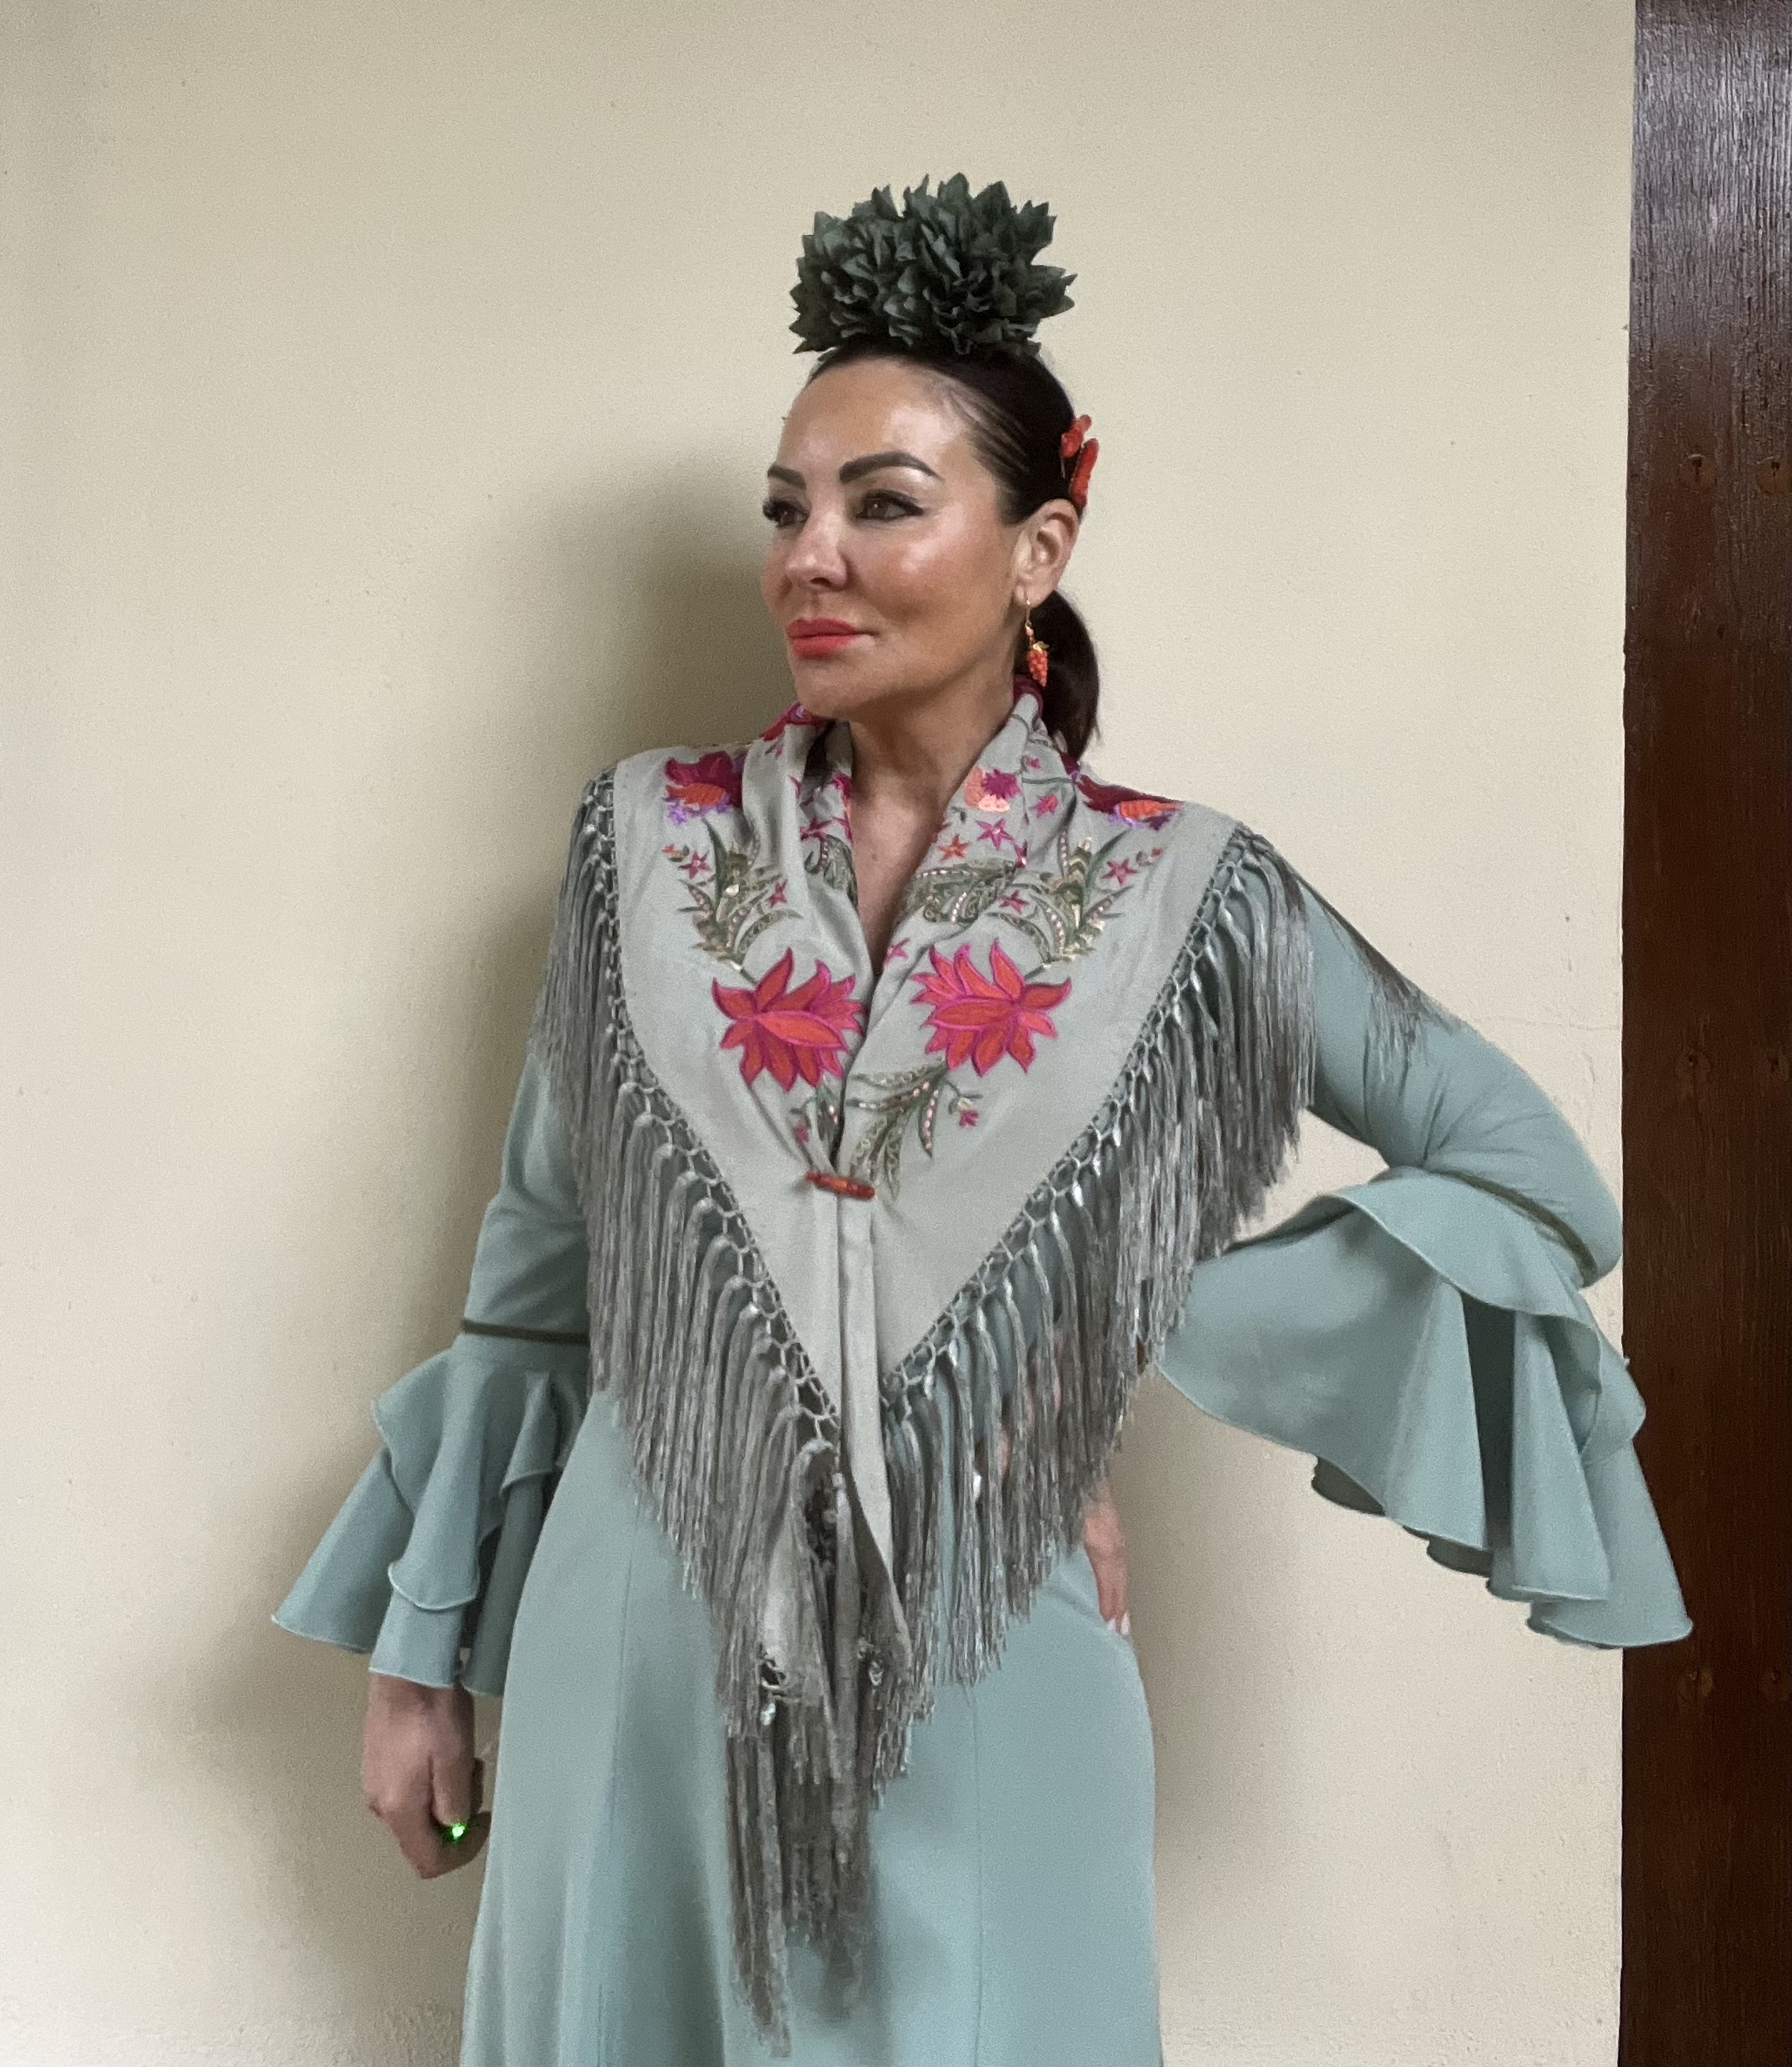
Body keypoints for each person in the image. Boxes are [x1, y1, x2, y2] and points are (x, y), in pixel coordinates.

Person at [274, 176, 1690, 2067]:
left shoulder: (1186, 897)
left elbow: (1527, 1173)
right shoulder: (641, 847)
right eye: (787, 507)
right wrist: (420, 1655)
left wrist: (1086, 1332)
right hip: (635, 1639)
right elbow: (537, 1283)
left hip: (987, 1649)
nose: (812, 557)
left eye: (882, 502)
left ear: (1039, 545)